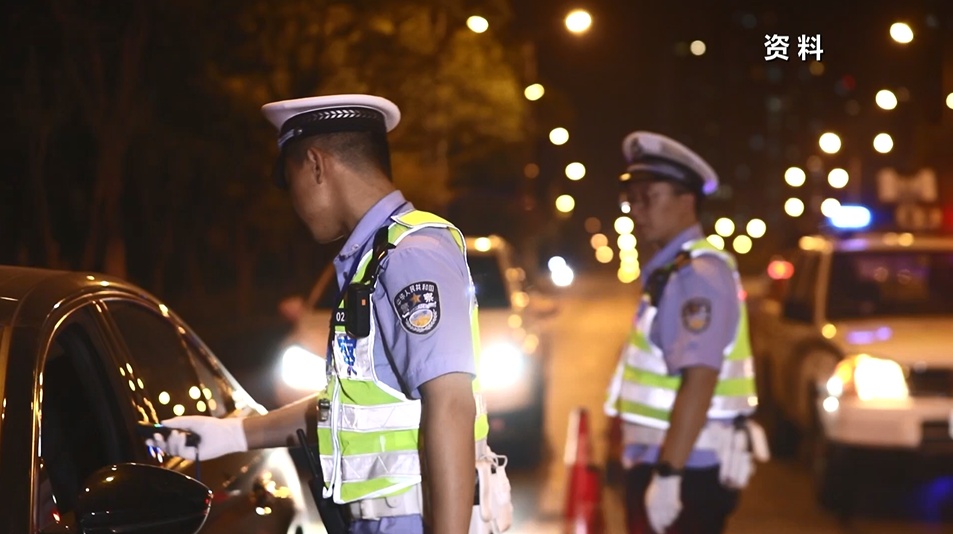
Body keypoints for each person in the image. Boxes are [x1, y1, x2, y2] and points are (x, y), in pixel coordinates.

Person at [149, 94, 511, 534]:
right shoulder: (376, 259)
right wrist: (232, 435)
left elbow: (451, 405)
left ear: (315, 165)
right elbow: (350, 411)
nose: (293, 202)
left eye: (290, 179)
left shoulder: (410, 256)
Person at [604, 131, 768, 534]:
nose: (637, 211)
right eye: (633, 200)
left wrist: (668, 475)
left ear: (686, 200)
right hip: (671, 461)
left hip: (686, 470)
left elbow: (700, 377)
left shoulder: (698, 275)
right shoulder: (674, 270)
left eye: (649, 198)